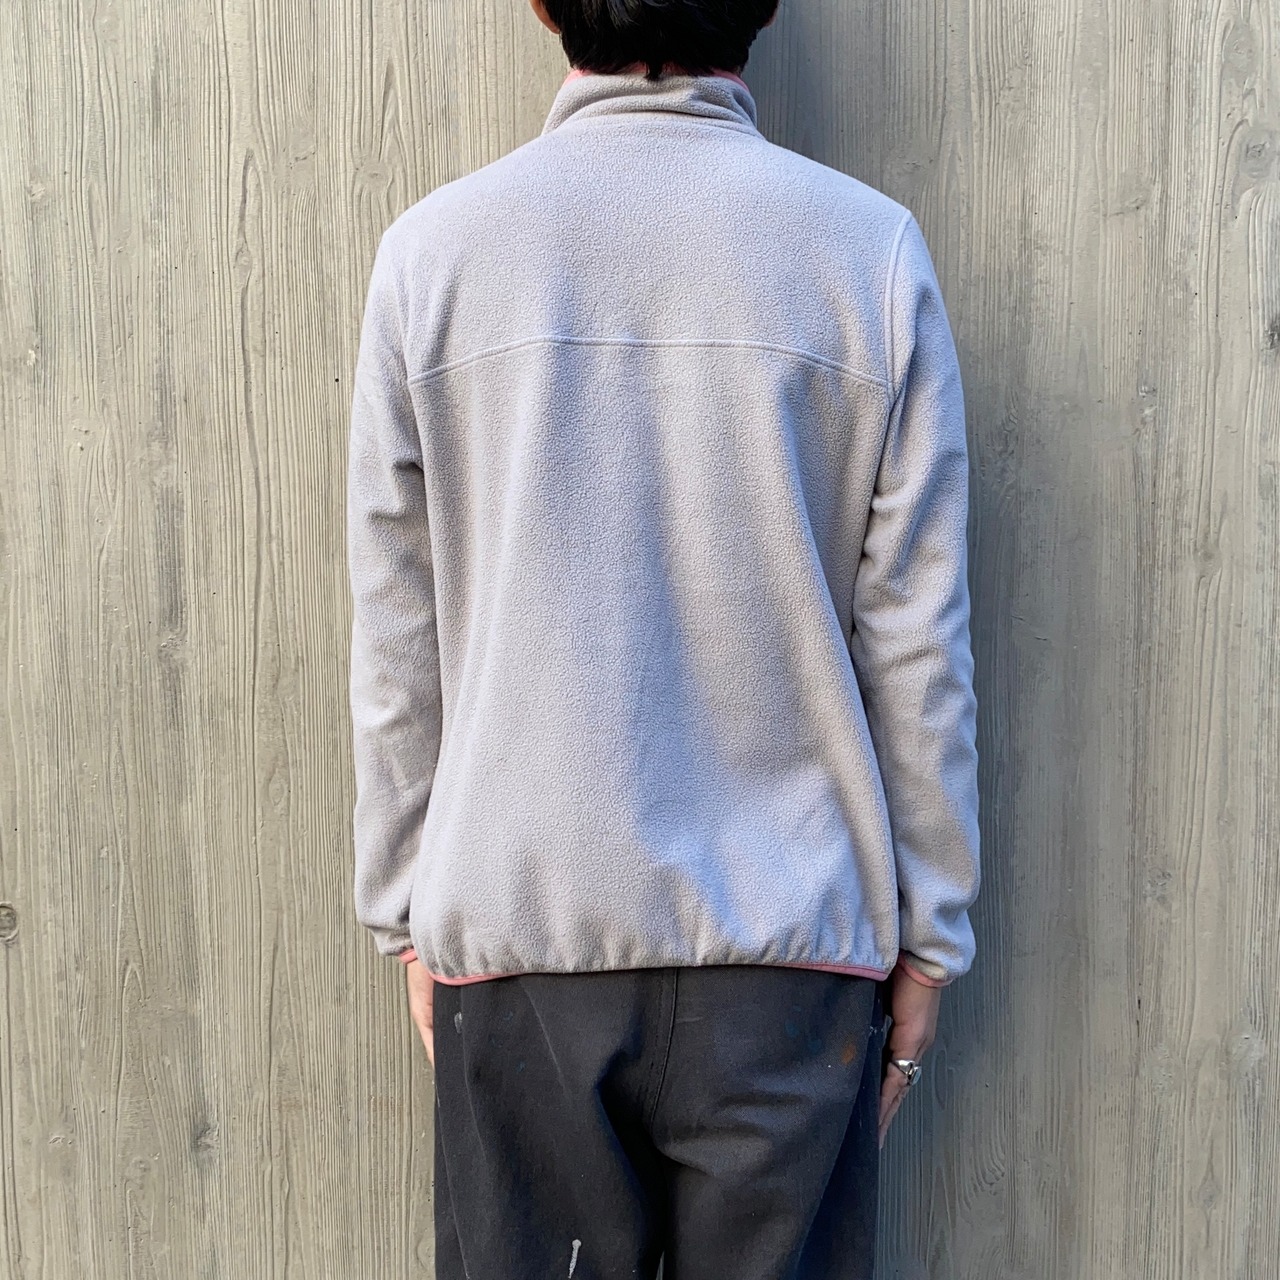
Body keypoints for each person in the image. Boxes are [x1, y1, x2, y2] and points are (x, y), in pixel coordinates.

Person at [346, 0, 980, 1275]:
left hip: (520, 944)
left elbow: (397, 633)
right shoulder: (865, 256)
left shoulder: (434, 260)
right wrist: (930, 938)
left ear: (545, 5)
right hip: (791, 963)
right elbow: (916, 643)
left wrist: (407, 911)